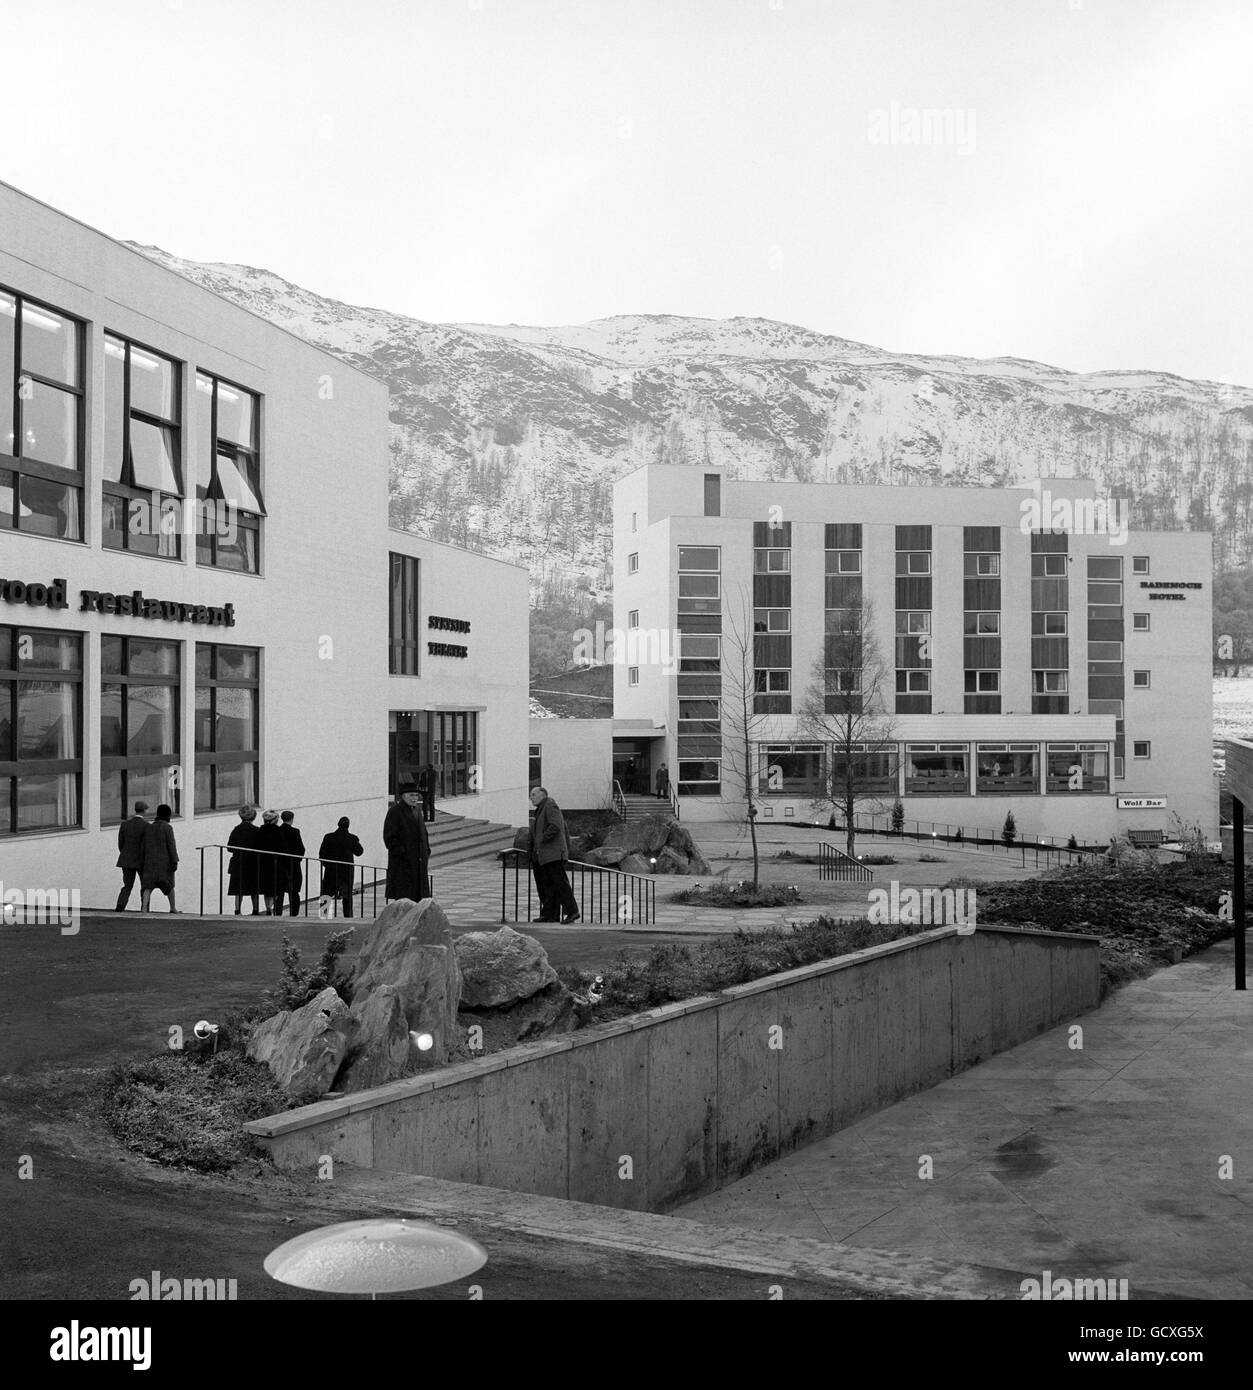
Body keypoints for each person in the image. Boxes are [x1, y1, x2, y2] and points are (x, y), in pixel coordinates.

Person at [528, 786, 579, 924]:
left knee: (560, 883)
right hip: (546, 855)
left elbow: (555, 826)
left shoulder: (550, 805)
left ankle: (572, 911)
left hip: (553, 854)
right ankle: (550, 914)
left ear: (542, 795)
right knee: (549, 885)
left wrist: (541, 840)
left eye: (533, 794)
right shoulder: (541, 809)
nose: (530, 797)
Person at [383, 783, 430, 902]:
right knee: (405, 900)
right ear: (403, 796)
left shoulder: (417, 810)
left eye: (416, 795)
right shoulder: (395, 812)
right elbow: (390, 838)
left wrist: (426, 850)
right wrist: (403, 854)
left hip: (418, 864)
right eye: (411, 795)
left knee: (419, 900)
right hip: (403, 867)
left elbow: (423, 832)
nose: (415, 798)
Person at [319, 816, 364, 918]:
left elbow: (322, 854)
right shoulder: (352, 838)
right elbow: (359, 852)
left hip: (331, 870)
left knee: (326, 894)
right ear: (348, 826)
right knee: (347, 896)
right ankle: (348, 917)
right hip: (346, 872)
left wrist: (328, 865)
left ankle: (324, 915)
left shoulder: (328, 837)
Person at [139, 804, 178, 913]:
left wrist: (142, 861)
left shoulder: (149, 827)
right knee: (169, 886)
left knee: (147, 887)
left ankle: (144, 908)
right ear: (168, 815)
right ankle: (172, 908)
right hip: (164, 864)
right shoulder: (167, 828)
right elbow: (171, 846)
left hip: (149, 863)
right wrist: (175, 860)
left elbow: (143, 846)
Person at [115, 800, 150, 910]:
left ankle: (120, 906)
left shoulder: (125, 824)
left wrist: (126, 853)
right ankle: (144, 908)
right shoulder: (147, 826)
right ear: (144, 811)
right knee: (145, 886)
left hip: (126, 859)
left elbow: (121, 844)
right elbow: (147, 845)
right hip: (141, 860)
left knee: (127, 885)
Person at [227, 806, 262, 915]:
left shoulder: (236, 829)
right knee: (254, 888)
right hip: (253, 862)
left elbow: (229, 847)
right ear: (253, 817)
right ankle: (255, 909)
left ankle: (237, 910)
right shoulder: (256, 830)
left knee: (238, 888)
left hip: (238, 861)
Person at [274, 810, 306, 918]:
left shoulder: (277, 831)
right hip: (293, 865)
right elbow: (301, 849)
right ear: (292, 819)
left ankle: (278, 912)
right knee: (294, 891)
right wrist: (297, 859)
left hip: (280, 864)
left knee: (279, 892)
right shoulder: (295, 832)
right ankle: (294, 913)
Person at [256, 809, 283, 915]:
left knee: (266, 887)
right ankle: (270, 906)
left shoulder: (260, 830)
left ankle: (268, 906)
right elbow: (282, 846)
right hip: (276, 861)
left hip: (263, 861)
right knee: (276, 887)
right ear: (275, 820)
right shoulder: (278, 831)